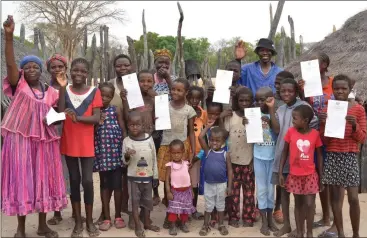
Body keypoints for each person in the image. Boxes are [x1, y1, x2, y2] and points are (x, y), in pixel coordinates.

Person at [1, 15, 68, 238]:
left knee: (43, 181)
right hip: (19, 141)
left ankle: (42, 225)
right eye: (27, 67)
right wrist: (9, 38)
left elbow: (60, 114)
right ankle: (20, 228)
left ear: (41, 71)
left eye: (35, 67)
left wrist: (62, 88)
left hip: (45, 142)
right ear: (22, 72)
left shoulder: (50, 91)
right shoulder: (18, 85)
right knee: (22, 180)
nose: (31, 69)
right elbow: (10, 63)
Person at [268, 77, 318, 238]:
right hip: (281, 156)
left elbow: (313, 124)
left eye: (290, 91)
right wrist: (270, 112)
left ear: (296, 91)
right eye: (283, 91)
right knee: (283, 192)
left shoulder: (304, 107)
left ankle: (301, 229)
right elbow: (276, 130)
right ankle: (287, 225)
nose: (286, 93)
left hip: (299, 161)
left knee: (301, 198)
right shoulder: (280, 109)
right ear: (279, 92)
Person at [58, 57, 103, 237]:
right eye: (75, 70)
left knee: (88, 181)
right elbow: (61, 112)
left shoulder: (94, 91)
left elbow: (95, 118)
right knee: (74, 181)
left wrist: (78, 118)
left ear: (87, 73)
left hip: (86, 142)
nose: (79, 73)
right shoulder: (65, 90)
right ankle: (78, 220)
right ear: (70, 71)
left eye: (83, 71)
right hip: (69, 140)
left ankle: (90, 221)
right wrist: (62, 87)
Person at [319, 74, 366, 238]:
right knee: (336, 199)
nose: (340, 91)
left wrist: (354, 125)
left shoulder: (358, 109)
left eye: (343, 88)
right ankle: (340, 233)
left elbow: (362, 138)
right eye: (337, 88)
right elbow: (324, 141)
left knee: (353, 198)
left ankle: (355, 234)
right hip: (333, 156)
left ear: (349, 90)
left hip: (350, 156)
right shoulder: (327, 110)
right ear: (332, 89)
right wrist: (324, 123)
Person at [298, 53, 334, 231]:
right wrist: (302, 92)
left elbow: (344, 104)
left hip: (332, 137)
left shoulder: (334, 83)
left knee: (329, 178)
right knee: (318, 176)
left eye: (316, 62)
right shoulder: (309, 85)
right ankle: (325, 216)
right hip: (314, 137)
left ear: (325, 64)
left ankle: (329, 216)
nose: (311, 65)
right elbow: (306, 110)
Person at [279, 105, 324, 238]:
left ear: (305, 120)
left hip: (310, 175)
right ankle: (299, 232)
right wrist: (281, 172)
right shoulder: (291, 132)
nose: (292, 120)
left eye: (295, 118)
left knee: (309, 204)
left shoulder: (315, 134)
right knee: (298, 204)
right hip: (294, 175)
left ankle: (309, 232)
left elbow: (320, 155)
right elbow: (284, 152)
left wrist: (321, 176)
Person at [157, 78, 196, 228]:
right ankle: (169, 215)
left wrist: (191, 150)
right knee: (168, 182)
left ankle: (182, 216)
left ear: (186, 93)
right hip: (167, 147)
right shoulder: (164, 106)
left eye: (179, 90)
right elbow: (158, 124)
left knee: (181, 182)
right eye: (173, 89)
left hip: (182, 149)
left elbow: (191, 132)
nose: (175, 92)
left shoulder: (189, 110)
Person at [93, 82, 127, 231]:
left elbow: (123, 129)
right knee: (104, 186)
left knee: (117, 186)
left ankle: (118, 215)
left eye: (108, 96)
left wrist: (126, 148)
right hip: (102, 155)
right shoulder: (94, 112)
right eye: (102, 95)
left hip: (116, 154)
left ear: (113, 97)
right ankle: (106, 217)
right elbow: (92, 131)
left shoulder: (116, 110)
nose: (105, 98)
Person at [220, 87, 255, 228]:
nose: (244, 103)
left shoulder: (254, 117)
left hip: (248, 160)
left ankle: (248, 218)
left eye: (247, 100)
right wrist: (221, 118)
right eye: (241, 100)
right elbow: (223, 134)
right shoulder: (231, 116)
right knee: (233, 193)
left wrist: (252, 124)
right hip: (232, 161)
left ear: (251, 101)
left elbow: (257, 140)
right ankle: (233, 216)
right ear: (237, 101)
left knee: (249, 192)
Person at [122, 111, 160, 238]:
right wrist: (127, 155)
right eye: (132, 125)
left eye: (137, 125)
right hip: (133, 178)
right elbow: (124, 161)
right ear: (128, 125)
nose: (134, 127)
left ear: (143, 125)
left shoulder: (149, 139)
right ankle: (138, 225)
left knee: (147, 201)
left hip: (148, 177)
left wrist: (155, 176)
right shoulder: (126, 141)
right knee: (135, 201)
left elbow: (154, 157)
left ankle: (147, 222)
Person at [108, 53, 133, 216]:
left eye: (126, 65)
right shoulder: (109, 85)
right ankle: (108, 209)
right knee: (112, 171)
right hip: (112, 135)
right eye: (119, 66)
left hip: (133, 132)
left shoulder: (136, 85)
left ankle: (125, 204)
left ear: (131, 67)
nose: (122, 68)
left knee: (128, 171)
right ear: (114, 68)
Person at [198, 123, 233, 236]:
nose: (214, 143)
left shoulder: (225, 154)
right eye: (212, 140)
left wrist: (230, 186)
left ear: (223, 141)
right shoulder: (208, 152)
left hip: (222, 185)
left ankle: (221, 224)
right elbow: (200, 137)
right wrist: (208, 126)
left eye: (217, 140)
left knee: (220, 205)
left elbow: (230, 171)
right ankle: (205, 225)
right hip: (209, 184)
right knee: (208, 206)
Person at [253, 87, 279, 235]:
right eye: (256, 100)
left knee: (271, 191)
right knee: (262, 190)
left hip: (272, 158)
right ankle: (264, 222)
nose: (258, 102)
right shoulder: (252, 115)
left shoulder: (275, 114)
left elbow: (276, 130)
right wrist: (247, 122)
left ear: (271, 99)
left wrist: (270, 113)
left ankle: (271, 220)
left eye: (262, 100)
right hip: (258, 157)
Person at [152, 49, 176, 205]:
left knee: (168, 157)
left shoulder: (174, 79)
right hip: (153, 124)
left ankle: (169, 192)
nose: (163, 65)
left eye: (166, 63)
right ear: (154, 64)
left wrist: (167, 78)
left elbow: (177, 94)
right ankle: (155, 193)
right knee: (154, 158)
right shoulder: (149, 79)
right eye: (159, 62)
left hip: (170, 124)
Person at [272, 71, 295, 225]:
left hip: (286, 148)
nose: (279, 86)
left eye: (283, 83)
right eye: (277, 84)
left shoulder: (296, 103)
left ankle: (278, 207)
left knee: (283, 180)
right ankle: (262, 205)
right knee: (272, 178)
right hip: (271, 144)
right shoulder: (272, 101)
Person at [165, 139, 196, 236]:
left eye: (178, 153)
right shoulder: (170, 165)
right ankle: (173, 225)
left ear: (183, 152)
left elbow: (189, 178)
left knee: (184, 210)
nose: (176, 155)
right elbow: (167, 180)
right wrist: (168, 192)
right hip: (175, 192)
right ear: (170, 153)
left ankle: (183, 224)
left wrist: (191, 190)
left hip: (186, 191)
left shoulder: (186, 164)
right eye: (174, 153)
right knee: (173, 210)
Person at [187, 85, 207, 220]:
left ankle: (193, 209)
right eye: (191, 98)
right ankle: (184, 209)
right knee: (186, 183)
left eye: (197, 98)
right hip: (187, 153)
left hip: (199, 154)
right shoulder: (185, 111)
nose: (194, 101)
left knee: (195, 183)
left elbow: (205, 132)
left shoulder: (203, 113)